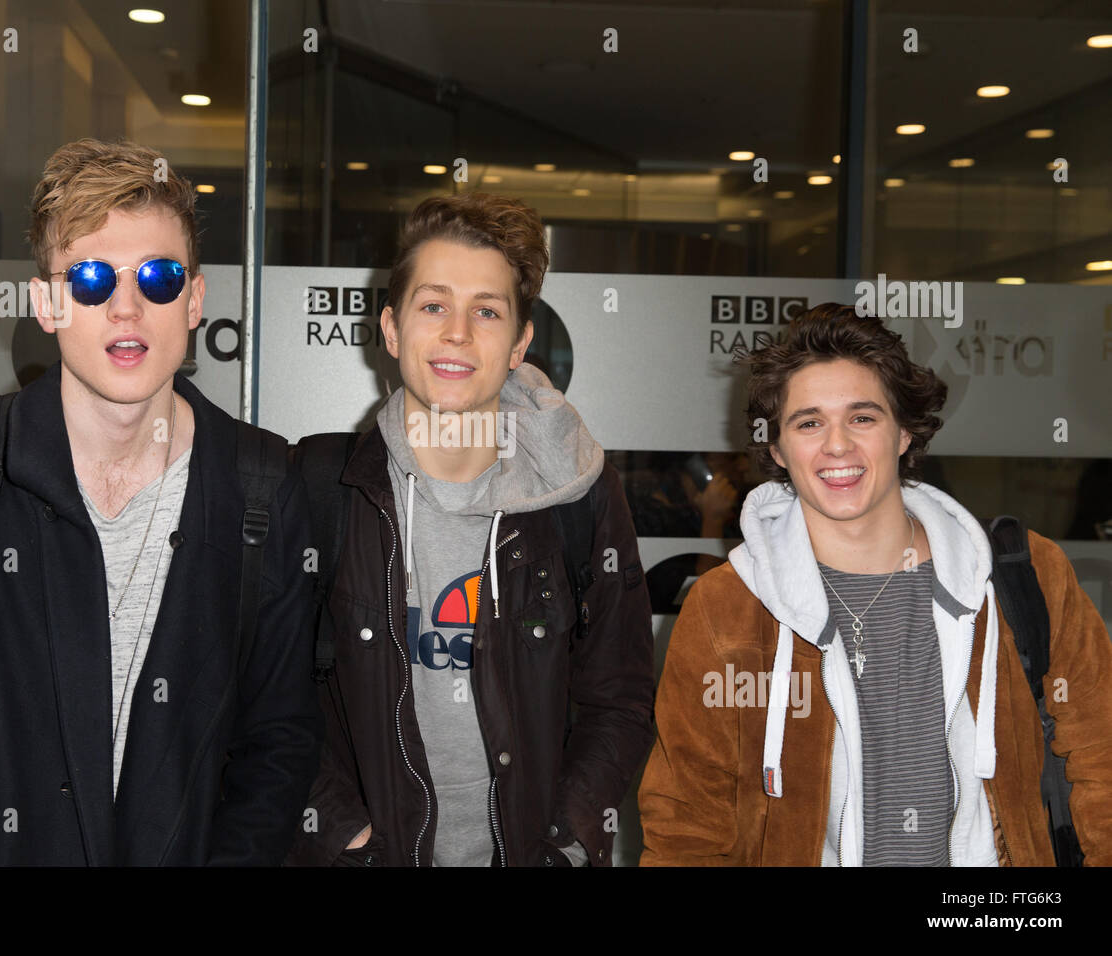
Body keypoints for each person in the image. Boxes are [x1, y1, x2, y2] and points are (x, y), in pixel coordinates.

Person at [0, 138, 321, 865]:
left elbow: (279, 747)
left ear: (194, 300)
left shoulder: (264, 486)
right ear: (47, 302)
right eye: (91, 278)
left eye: (157, 277)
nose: (126, 308)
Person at [639, 302, 1112, 866]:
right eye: (808, 422)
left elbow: (1100, 759)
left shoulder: (1022, 573)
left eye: (862, 417)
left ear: (905, 433)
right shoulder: (728, 606)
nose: (837, 445)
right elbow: (687, 824)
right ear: (777, 449)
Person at [288, 193, 654, 867]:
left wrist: (565, 843)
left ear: (519, 343)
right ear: (392, 329)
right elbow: (268, 698)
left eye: (486, 311)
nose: (458, 332)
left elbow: (619, 702)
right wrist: (347, 839)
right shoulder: (319, 486)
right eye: (434, 305)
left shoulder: (580, 494)